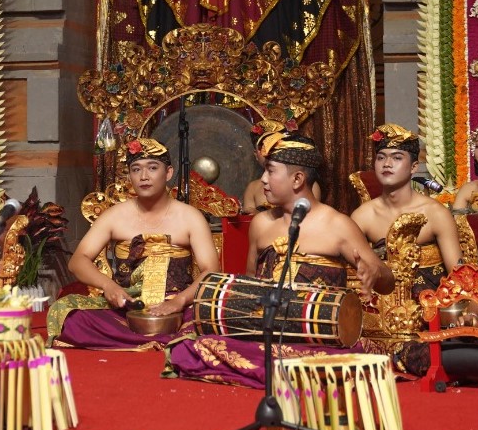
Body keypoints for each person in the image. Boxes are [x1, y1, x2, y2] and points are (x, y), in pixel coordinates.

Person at [164, 131, 391, 388]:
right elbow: (250, 284)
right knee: (192, 348)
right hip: (265, 332)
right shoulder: (261, 223)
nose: (263, 179)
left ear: (297, 179)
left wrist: (376, 272)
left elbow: (387, 282)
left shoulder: (337, 225)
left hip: (315, 338)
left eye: (270, 171)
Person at [48, 137, 219, 350]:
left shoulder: (190, 217)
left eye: (152, 168)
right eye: (136, 169)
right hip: (127, 307)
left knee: (211, 319)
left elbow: (211, 270)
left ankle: (144, 338)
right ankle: (162, 341)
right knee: (69, 313)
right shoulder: (115, 216)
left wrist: (180, 301)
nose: (144, 176)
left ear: (168, 173)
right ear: (129, 175)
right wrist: (108, 286)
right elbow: (77, 261)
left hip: (178, 307)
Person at [351, 123, 461, 295]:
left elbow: (459, 277)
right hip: (380, 302)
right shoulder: (363, 216)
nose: (387, 164)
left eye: (397, 158)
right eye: (381, 158)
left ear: (414, 167)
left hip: (431, 302)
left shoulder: (435, 213)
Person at [240, 120, 286, 214]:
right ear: (256, 155)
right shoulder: (253, 188)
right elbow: (248, 219)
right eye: (262, 147)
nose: (268, 151)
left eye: (274, 146)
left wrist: (260, 215)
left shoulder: (302, 182)